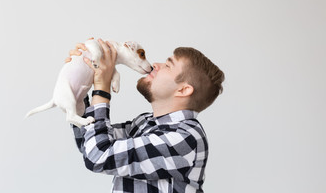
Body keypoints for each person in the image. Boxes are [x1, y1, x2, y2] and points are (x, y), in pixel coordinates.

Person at [66, 39, 225, 193]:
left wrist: (101, 89)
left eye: (168, 65)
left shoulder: (185, 138)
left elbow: (99, 156)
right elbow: (87, 142)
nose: (156, 65)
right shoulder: (144, 122)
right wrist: (80, 83)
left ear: (183, 90)